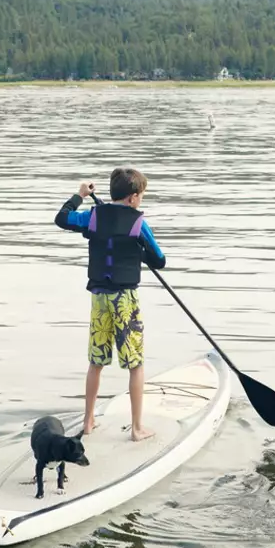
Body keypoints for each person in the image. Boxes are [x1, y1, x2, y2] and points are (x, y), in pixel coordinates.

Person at [55, 166, 166, 441]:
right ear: (132, 197)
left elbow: (62, 218)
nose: (140, 200)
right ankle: (137, 428)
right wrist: (139, 251)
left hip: (99, 299)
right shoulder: (139, 224)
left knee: (97, 361)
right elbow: (159, 260)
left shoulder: (93, 216)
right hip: (125, 300)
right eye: (140, 196)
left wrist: (79, 196)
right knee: (135, 363)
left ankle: (89, 419)